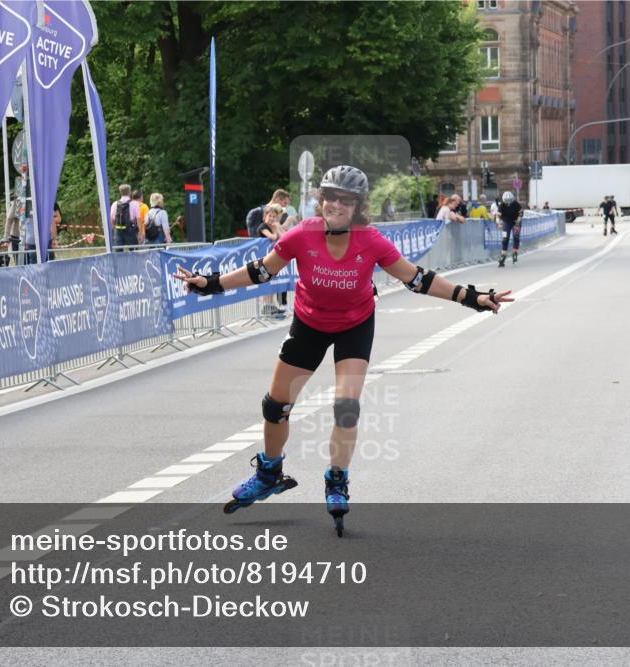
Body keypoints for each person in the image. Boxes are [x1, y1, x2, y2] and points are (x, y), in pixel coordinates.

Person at [173, 165, 513, 536]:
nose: (335, 205)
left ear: (358, 206)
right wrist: (211, 284)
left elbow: (417, 278)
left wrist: (471, 297)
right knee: (275, 406)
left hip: (354, 325)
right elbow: (261, 271)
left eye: (345, 200)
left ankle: (337, 478)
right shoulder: (302, 234)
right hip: (309, 324)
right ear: (321, 200)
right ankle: (269, 473)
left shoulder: (372, 241)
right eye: (330, 197)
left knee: (346, 407)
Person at [109, 184, 143, 250]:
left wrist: (114, 229)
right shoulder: (134, 203)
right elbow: (138, 219)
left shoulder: (115, 204)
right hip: (130, 230)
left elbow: (112, 220)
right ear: (129, 192)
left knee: (118, 252)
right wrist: (140, 233)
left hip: (118, 230)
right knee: (133, 251)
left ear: (120, 192)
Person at [496, 191, 523, 267]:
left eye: (510, 202)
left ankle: (515, 253)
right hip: (506, 222)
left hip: (516, 221)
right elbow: (497, 216)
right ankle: (503, 255)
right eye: (506, 202)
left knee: (516, 236)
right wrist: (499, 223)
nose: (508, 204)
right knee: (505, 238)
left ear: (512, 200)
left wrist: (517, 224)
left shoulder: (516, 204)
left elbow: (520, 215)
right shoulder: (501, 205)